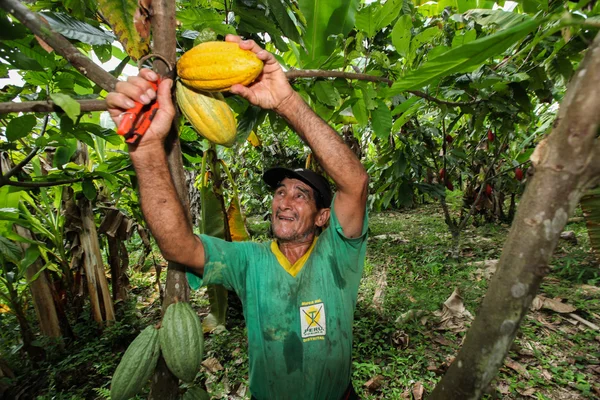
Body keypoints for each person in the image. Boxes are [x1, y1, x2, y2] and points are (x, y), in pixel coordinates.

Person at [106, 34, 369, 400]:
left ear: (324, 217)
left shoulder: (339, 255)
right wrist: (147, 149)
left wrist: (286, 101)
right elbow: (179, 246)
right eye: (279, 192)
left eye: (300, 195)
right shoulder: (248, 260)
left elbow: (355, 183)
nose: (285, 201)